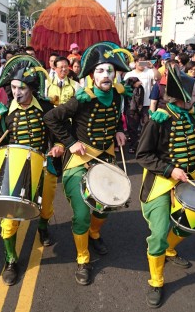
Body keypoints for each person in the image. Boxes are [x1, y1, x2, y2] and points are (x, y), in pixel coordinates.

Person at [136, 64, 195, 308]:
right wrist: (170, 170)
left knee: (191, 223)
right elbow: (143, 155)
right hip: (160, 181)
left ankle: (168, 249)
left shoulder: (194, 119)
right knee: (158, 233)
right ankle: (156, 281)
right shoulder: (158, 121)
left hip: (187, 182)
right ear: (184, 98)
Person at [44, 41, 130, 286]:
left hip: (106, 158)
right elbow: (50, 118)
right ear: (92, 75)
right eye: (101, 71)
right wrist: (70, 142)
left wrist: (119, 130)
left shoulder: (117, 95)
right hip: (80, 161)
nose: (106, 75)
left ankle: (94, 233)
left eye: (110, 71)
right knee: (82, 213)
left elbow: (116, 118)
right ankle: (83, 258)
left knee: (107, 206)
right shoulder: (82, 98)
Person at [0, 55, 64, 286]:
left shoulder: (47, 108)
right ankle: (10, 259)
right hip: (13, 168)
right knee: (9, 219)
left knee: (46, 207)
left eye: (22, 88)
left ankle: (42, 226)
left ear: (32, 89)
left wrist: (58, 147)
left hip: (44, 165)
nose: (17, 92)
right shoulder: (3, 112)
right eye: (13, 87)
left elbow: (59, 137)